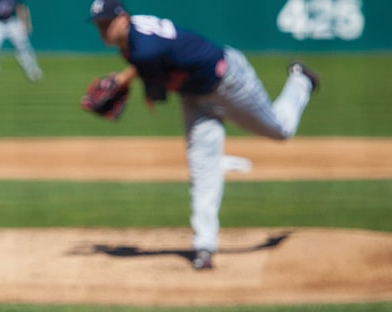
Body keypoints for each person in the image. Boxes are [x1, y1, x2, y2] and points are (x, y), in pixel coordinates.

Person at [86, 0, 318, 270]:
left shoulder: (143, 49)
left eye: (107, 23)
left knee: (281, 130)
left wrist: (124, 85)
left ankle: (301, 80)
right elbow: (152, 61)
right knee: (202, 168)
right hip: (195, 97)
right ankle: (204, 247)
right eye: (99, 25)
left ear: (123, 18)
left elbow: (157, 93)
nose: (103, 30)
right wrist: (124, 79)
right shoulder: (134, 37)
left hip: (229, 81)